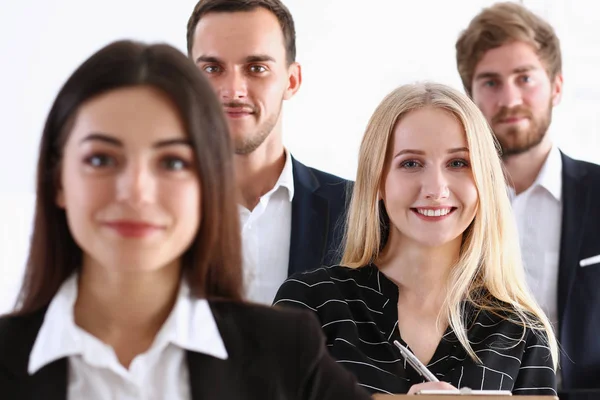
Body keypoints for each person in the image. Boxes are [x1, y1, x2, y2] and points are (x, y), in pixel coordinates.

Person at [0, 40, 371, 400]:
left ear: (209, 187)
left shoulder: (289, 353)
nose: (136, 192)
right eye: (101, 160)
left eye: (172, 162)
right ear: (58, 181)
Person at [274, 82, 558, 395]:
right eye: (411, 163)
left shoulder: (522, 332)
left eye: (458, 163)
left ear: (484, 181)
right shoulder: (310, 304)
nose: (436, 189)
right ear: (378, 181)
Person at [455, 2, 600, 393]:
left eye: (524, 78)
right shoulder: (443, 202)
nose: (510, 99)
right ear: (469, 96)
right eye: (490, 82)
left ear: (556, 86)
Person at [185, 0, 351, 305]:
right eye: (212, 68)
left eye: (256, 68)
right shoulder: (154, 206)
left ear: (292, 81)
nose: (233, 90)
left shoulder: (357, 210)